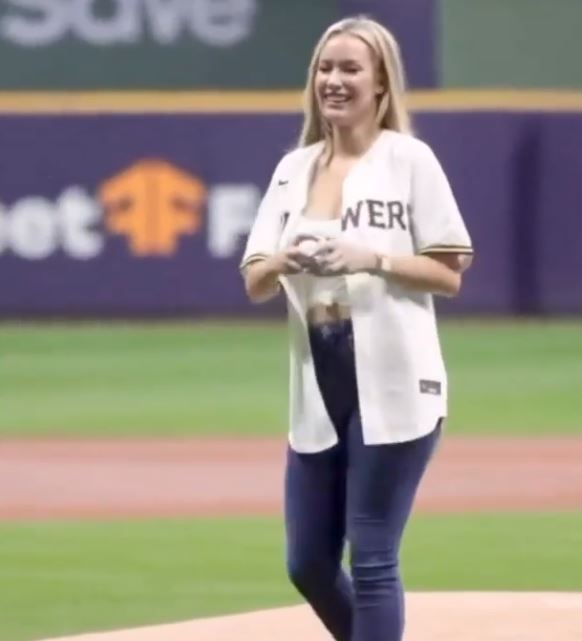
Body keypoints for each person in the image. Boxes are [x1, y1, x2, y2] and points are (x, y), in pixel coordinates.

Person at [239, 15, 473, 641]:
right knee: (309, 564)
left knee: (371, 558)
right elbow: (255, 279)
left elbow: (450, 272)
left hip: (397, 384)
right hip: (320, 386)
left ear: (381, 84)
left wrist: (375, 259)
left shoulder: (409, 160)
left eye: (350, 69)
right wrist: (286, 259)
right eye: (324, 67)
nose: (333, 81)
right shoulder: (294, 170)